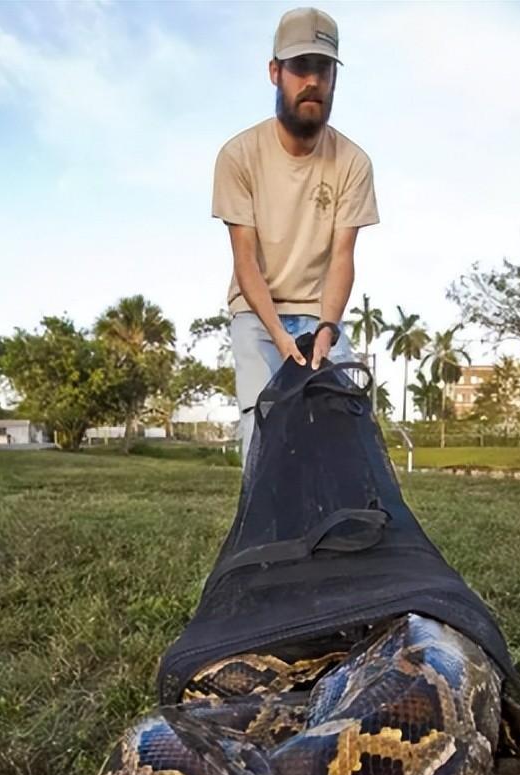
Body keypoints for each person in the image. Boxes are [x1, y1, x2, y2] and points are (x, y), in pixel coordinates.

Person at [211, 6, 379, 459]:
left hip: (320, 314)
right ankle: (263, 530)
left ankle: (340, 528)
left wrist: (327, 328)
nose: (312, 81)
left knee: (345, 425)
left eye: (323, 69)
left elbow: (343, 257)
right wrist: (280, 339)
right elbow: (245, 260)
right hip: (257, 313)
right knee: (261, 421)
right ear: (275, 72)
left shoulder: (353, 162)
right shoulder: (239, 156)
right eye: (300, 67)